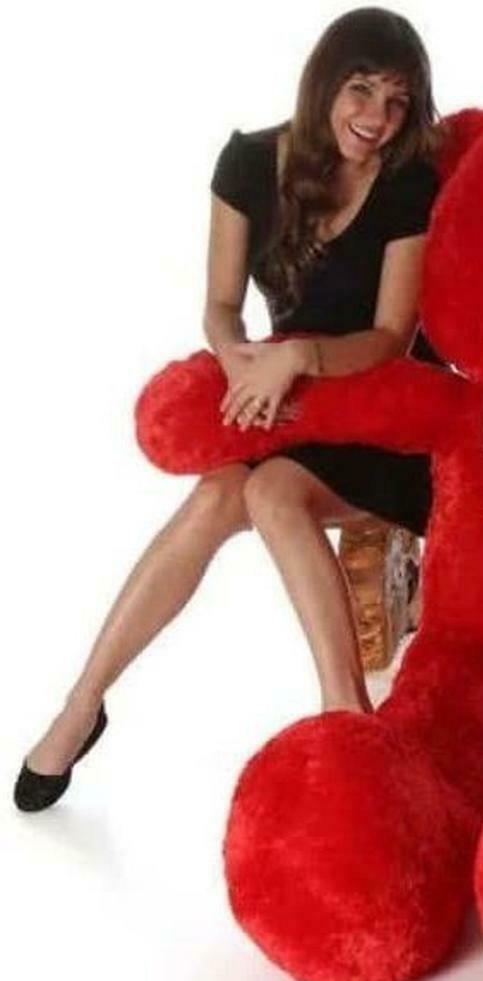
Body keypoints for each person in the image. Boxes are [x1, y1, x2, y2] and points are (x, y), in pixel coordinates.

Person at [14, 7, 442, 812]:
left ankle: (347, 715)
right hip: (292, 400)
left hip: (384, 411)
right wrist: (241, 358)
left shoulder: (408, 181)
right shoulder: (248, 163)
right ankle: (83, 701)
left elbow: (392, 338)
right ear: (324, 84)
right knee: (217, 494)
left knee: (271, 489)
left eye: (397, 101)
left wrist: (300, 357)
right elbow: (219, 305)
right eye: (360, 90)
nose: (377, 118)